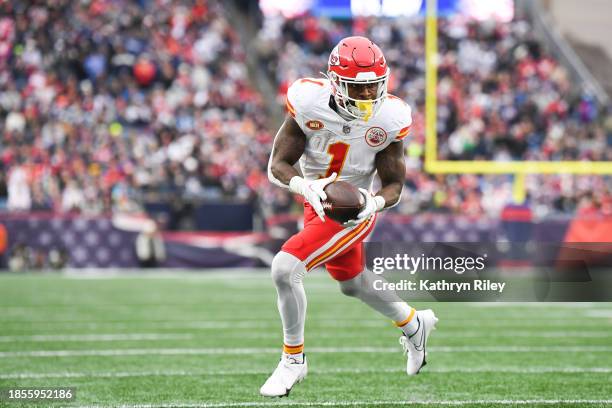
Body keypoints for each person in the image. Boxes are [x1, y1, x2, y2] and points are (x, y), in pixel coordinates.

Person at [262, 36, 438, 397]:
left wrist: (371, 204)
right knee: (352, 282)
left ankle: (293, 360)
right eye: (360, 88)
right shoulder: (309, 102)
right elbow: (277, 164)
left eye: (375, 86)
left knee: (284, 269)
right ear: (336, 83)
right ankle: (413, 323)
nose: (369, 96)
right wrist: (303, 186)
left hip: (352, 210)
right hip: (316, 200)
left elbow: (393, 185)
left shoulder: (390, 118)